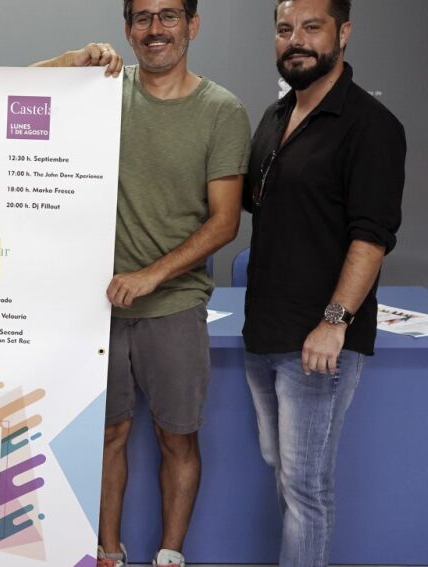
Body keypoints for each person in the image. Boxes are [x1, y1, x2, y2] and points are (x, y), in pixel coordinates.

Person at [33, 1, 250, 564]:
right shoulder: (101, 89)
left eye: (169, 16)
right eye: (143, 18)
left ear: (192, 25)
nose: (156, 30)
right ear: (128, 29)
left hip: (173, 303)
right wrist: (70, 60)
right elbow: (8, 95)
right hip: (98, 307)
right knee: (107, 436)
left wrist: (152, 275)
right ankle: (108, 552)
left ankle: (170, 554)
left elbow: (225, 221)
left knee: (177, 438)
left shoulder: (221, 110)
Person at [243, 0, 405, 564]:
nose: (297, 40)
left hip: (318, 344)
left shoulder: (371, 126)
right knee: (283, 470)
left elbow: (372, 237)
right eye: (285, 29)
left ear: (344, 33)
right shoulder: (276, 115)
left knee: (306, 488)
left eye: (312, 27)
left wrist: (334, 323)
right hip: (266, 331)